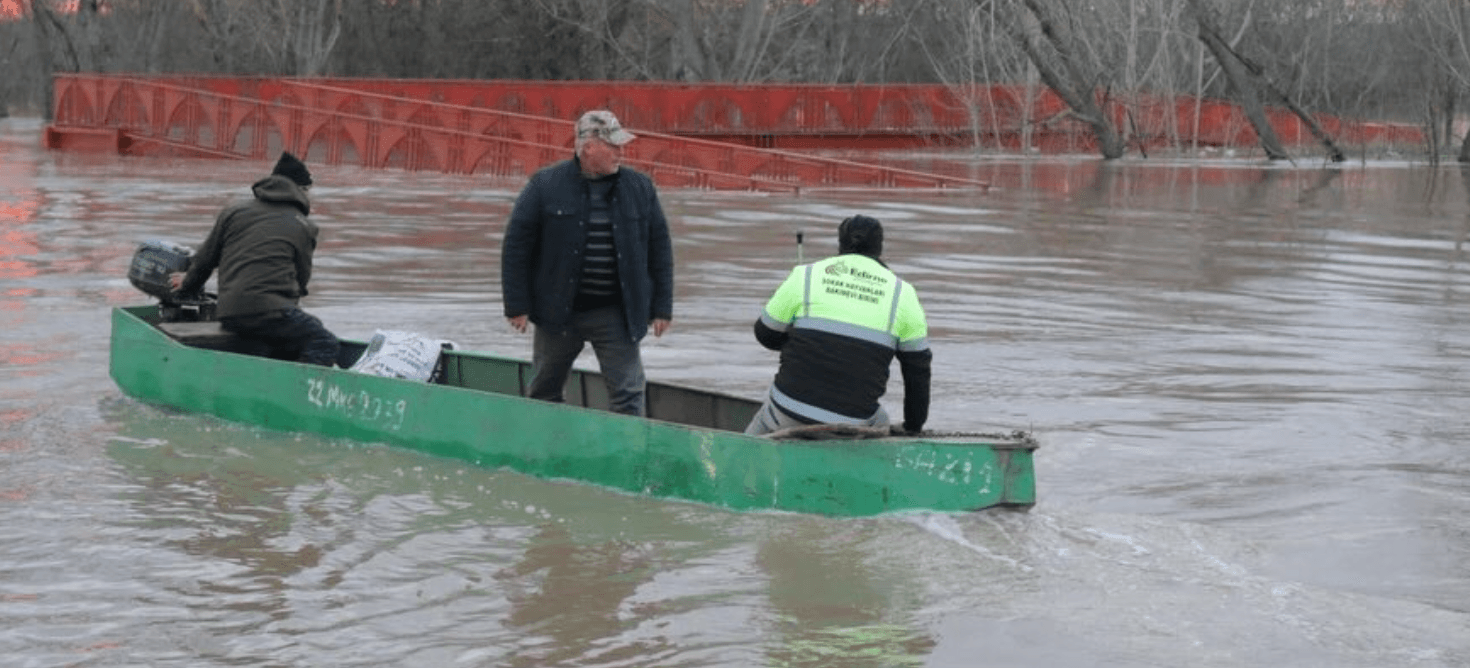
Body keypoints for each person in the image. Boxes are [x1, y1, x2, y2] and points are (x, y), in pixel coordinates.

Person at [500, 110, 674, 416]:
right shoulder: (544, 185)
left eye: (622, 145)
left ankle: (626, 455)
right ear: (588, 146)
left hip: (616, 312)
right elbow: (516, 247)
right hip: (557, 311)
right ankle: (548, 449)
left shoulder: (640, 188)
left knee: (629, 394)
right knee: (544, 390)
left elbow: (660, 250)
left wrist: (662, 307)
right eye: (613, 146)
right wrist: (517, 305)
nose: (622, 152)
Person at [745, 215, 931, 436]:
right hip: (853, 426)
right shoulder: (904, 294)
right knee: (881, 420)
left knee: (753, 437)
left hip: (787, 414)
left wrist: (796, 339)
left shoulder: (806, 275)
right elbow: (918, 373)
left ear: (840, 245)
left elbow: (765, 334)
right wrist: (913, 426)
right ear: (879, 248)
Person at [169, 151, 340, 366]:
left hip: (230, 313)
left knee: (284, 340)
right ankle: (296, 395)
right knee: (324, 342)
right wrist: (287, 308)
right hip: (270, 313)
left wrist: (187, 285)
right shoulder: (304, 226)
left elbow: (204, 260)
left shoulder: (233, 211)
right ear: (301, 190)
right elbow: (301, 281)